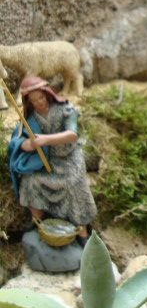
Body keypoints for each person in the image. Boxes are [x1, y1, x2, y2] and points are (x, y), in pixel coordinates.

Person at [8, 76, 96, 245]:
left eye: (41, 97)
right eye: (34, 100)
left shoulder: (66, 110)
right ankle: (37, 220)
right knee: (31, 180)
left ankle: (82, 230)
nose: (38, 103)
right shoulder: (30, 118)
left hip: (69, 158)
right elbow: (17, 139)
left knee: (74, 183)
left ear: (47, 94)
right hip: (47, 160)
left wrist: (45, 140)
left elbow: (72, 134)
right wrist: (27, 144)